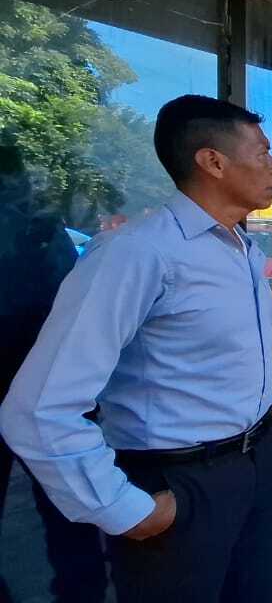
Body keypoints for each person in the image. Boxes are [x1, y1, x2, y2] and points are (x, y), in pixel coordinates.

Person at [0, 95, 272, 602]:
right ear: (213, 161)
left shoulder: (243, 248)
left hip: (256, 462)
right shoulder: (138, 253)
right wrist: (121, 508)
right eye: (263, 152)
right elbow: (38, 408)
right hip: (179, 480)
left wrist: (267, 405)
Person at [0, 137, 108, 602]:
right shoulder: (41, 227)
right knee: (68, 505)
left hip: (45, 383)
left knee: (68, 506)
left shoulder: (38, 228)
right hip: (52, 383)